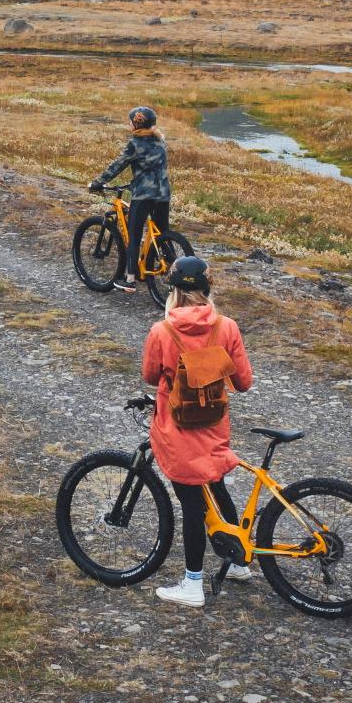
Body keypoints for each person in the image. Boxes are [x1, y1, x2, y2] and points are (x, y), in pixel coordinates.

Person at [141, 255, 255, 608]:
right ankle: (237, 560)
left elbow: (149, 375)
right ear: (207, 289)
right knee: (215, 486)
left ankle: (193, 584)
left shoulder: (162, 332)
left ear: (173, 290)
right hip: (214, 430)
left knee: (191, 504)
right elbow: (244, 382)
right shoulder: (227, 328)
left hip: (178, 433)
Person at [90, 106, 169, 291]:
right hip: (163, 193)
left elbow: (118, 165)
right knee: (162, 234)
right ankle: (172, 265)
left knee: (134, 235)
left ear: (136, 123)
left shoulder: (135, 143)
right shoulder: (161, 141)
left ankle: (130, 279)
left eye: (130, 121)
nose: (129, 124)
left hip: (144, 194)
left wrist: (98, 182)